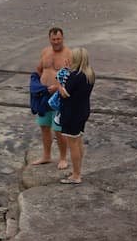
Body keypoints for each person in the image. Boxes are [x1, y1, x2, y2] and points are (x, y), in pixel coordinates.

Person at [32, 27, 72, 169]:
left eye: (58, 39)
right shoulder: (45, 51)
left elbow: (72, 76)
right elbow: (39, 69)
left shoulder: (69, 54)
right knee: (44, 126)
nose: (56, 42)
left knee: (58, 128)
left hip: (58, 96)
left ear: (63, 38)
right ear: (49, 39)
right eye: (53, 39)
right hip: (43, 95)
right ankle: (46, 156)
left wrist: (57, 86)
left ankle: (62, 158)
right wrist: (37, 84)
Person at [57, 47, 96, 184]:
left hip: (71, 113)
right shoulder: (90, 74)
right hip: (83, 110)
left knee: (72, 143)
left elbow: (65, 93)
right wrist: (68, 70)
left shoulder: (75, 76)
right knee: (78, 140)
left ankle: (76, 175)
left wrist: (59, 83)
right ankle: (78, 170)